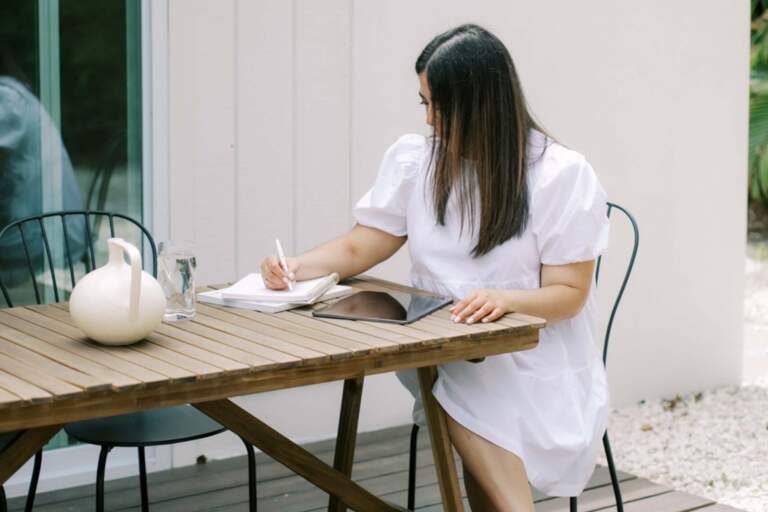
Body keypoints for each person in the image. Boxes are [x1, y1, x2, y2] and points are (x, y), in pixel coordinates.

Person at [260, 24, 609, 511]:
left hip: (531, 356)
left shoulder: (559, 175)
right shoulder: (417, 161)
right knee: (455, 378)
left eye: (437, 106)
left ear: (479, 105)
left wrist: (505, 300)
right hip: (440, 346)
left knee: (465, 385)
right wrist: (296, 265)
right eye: (423, 103)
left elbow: (569, 293)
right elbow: (363, 246)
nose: (429, 120)